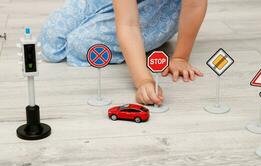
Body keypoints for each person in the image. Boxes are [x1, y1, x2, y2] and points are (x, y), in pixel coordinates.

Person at [39, 0, 207, 105]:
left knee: (79, 44)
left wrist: (179, 58)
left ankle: (154, 33)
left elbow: (194, 5)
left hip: (160, 7)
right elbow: (128, 24)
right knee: (50, 42)